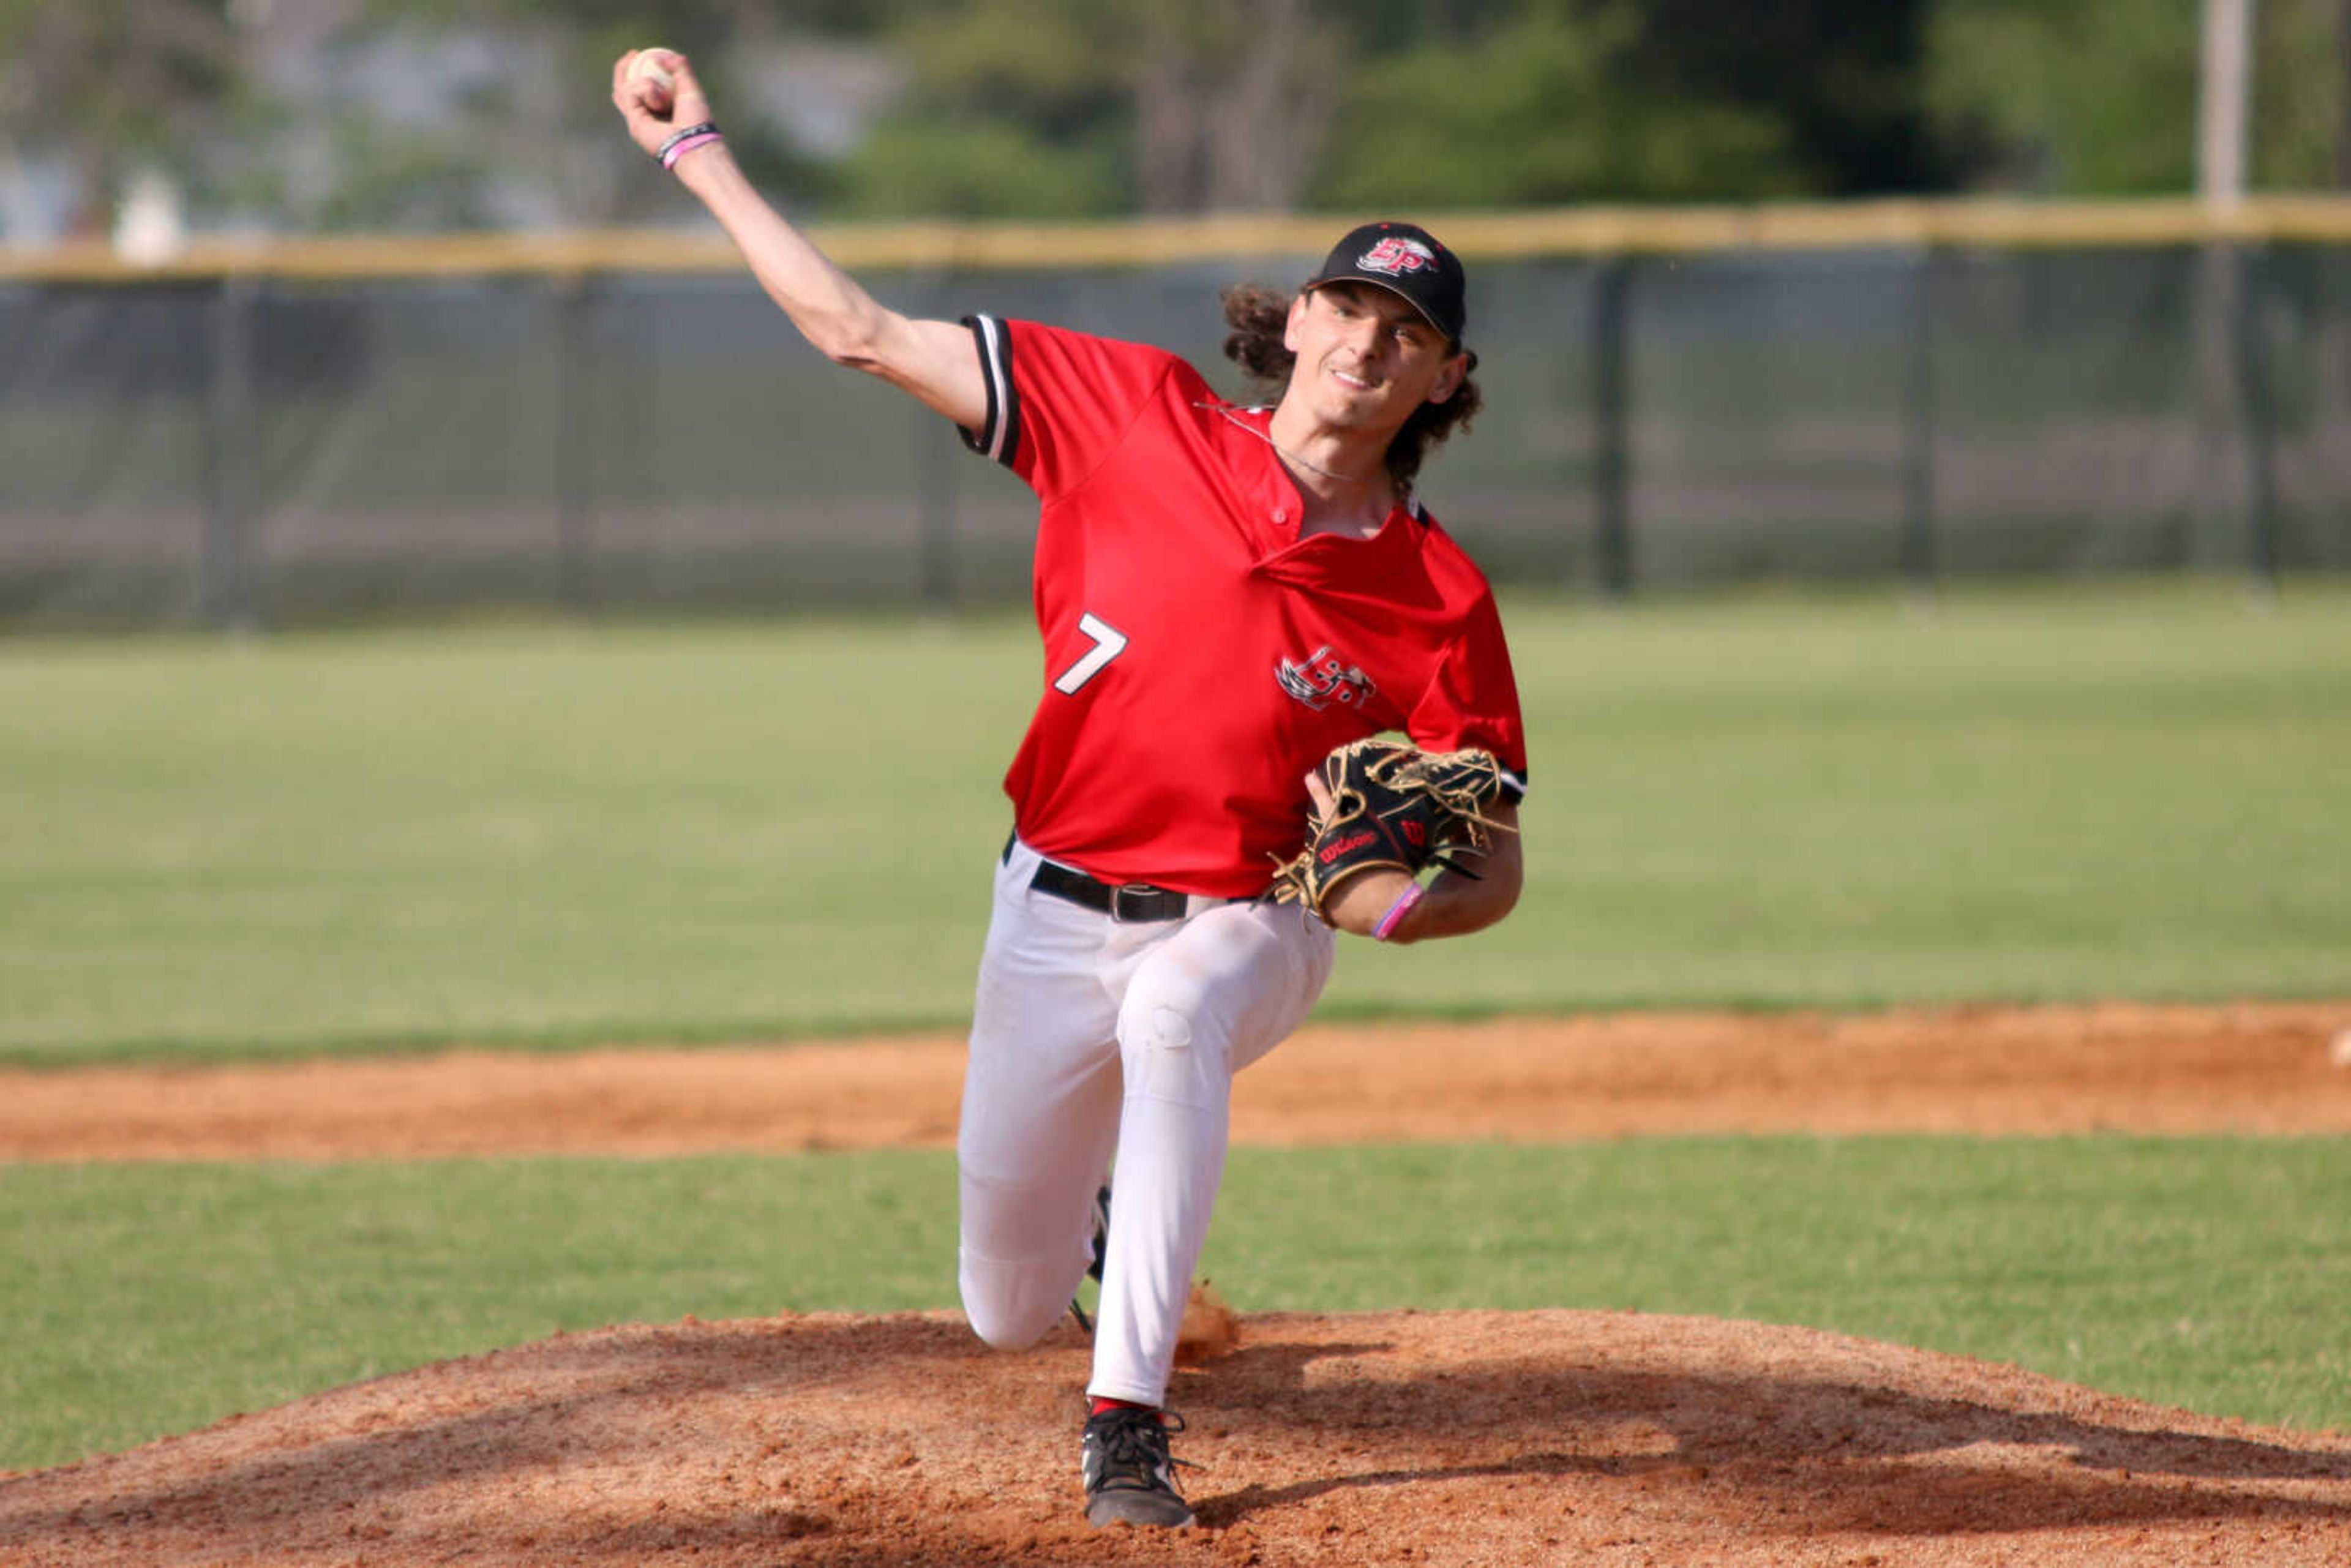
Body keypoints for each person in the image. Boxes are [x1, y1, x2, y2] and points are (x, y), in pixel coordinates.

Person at [613, 50, 1530, 1531]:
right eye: (1351, 306)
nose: (1370, 342)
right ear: (1298, 321)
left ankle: (1129, 1430)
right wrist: (699, 154)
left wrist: (1417, 906)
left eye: (1409, 330)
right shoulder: (1130, 413)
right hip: (1050, 900)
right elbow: (856, 332)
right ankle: (1102, 1226)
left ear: (1445, 378)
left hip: (1258, 925)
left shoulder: (1438, 597)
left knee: (1177, 1010)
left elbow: (1495, 862)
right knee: (1001, 1309)